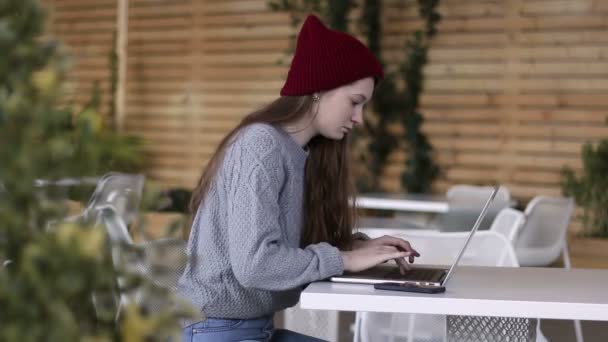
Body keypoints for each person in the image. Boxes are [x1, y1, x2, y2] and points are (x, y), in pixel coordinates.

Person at [178, 14, 420, 342]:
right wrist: (344, 259)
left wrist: (357, 246)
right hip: (216, 329)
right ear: (319, 89)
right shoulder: (260, 145)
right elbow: (256, 264)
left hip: (252, 328)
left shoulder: (301, 153)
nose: (359, 118)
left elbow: (290, 245)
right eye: (355, 102)